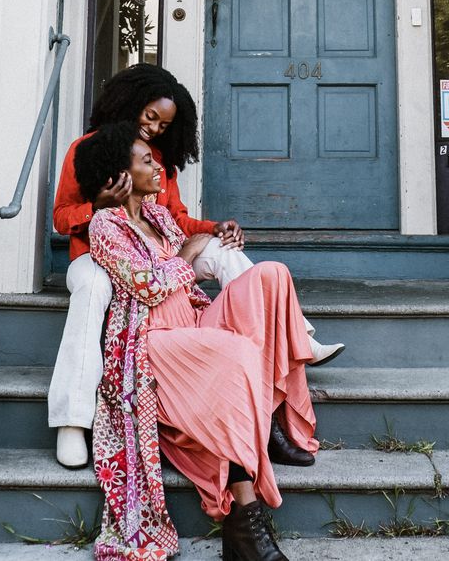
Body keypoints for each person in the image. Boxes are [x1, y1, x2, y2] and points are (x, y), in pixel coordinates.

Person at [49, 64, 343, 468]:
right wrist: (97, 207)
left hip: (159, 256)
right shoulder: (89, 148)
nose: (153, 128)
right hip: (95, 255)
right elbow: (61, 216)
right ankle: (71, 421)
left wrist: (214, 228)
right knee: (93, 289)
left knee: (222, 252)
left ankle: (293, 338)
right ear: (129, 103)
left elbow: (177, 221)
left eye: (164, 124)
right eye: (149, 116)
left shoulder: (159, 164)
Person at [77, 121, 317, 560]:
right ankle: (247, 525)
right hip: (152, 340)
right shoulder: (105, 227)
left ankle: (267, 414)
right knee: (236, 352)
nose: (158, 167)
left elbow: (183, 271)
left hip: (191, 318)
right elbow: (148, 286)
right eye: (147, 160)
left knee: (272, 275)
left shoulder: (159, 217)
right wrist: (189, 252)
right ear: (120, 175)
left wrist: (208, 239)